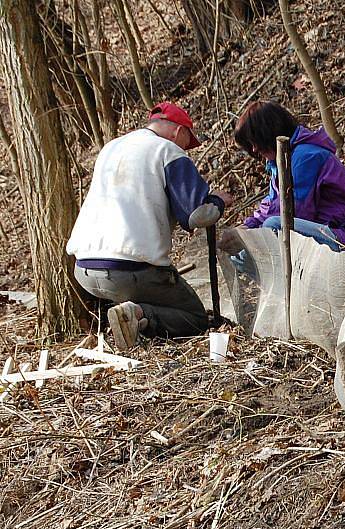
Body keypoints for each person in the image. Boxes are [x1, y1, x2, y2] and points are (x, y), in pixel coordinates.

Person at [67, 102, 233, 350]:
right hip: (130, 270)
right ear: (179, 132)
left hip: (84, 270)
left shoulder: (111, 148)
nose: (186, 149)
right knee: (196, 318)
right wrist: (218, 200)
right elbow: (199, 215)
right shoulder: (167, 151)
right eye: (187, 142)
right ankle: (138, 314)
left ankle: (125, 316)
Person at [219, 100, 345, 265]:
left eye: (255, 142)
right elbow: (271, 206)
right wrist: (245, 229)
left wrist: (251, 239)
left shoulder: (305, 157)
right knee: (239, 259)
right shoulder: (281, 161)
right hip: (328, 233)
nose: (254, 150)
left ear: (268, 132)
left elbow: (293, 213)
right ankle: (287, 289)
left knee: (274, 227)